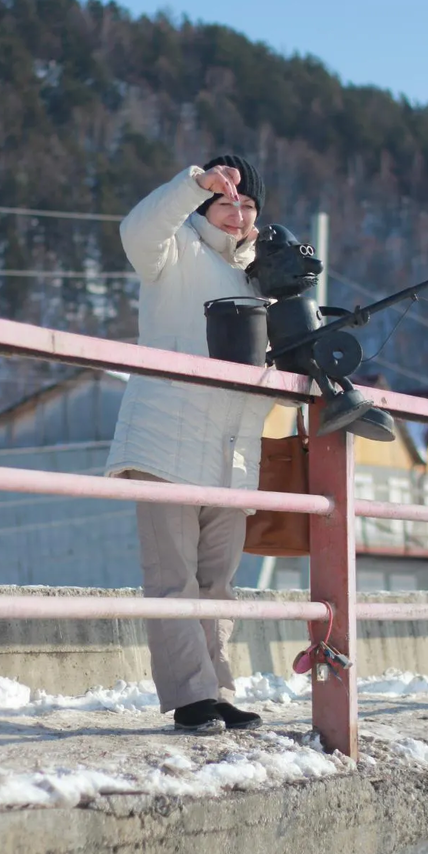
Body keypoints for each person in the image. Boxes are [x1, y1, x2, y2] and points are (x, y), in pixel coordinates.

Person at [105, 155, 273, 734]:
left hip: (231, 454)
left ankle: (218, 690)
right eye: (226, 201)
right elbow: (137, 229)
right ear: (204, 206)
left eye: (248, 204)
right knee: (173, 577)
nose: (237, 212)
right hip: (165, 440)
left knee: (218, 583)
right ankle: (191, 696)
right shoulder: (175, 251)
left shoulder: (260, 277)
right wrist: (191, 183)